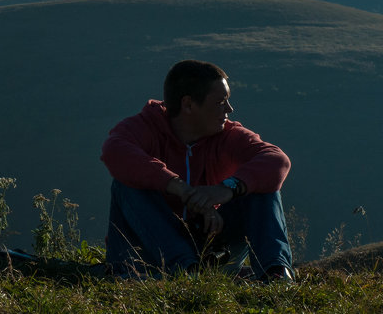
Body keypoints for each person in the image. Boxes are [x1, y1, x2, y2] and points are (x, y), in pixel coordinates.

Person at [100, 59, 295, 280]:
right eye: (220, 102)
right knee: (127, 183)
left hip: (209, 245)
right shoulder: (146, 127)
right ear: (188, 105)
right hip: (149, 255)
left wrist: (227, 188)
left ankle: (276, 274)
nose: (229, 109)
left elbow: (277, 160)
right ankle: (186, 271)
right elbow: (114, 151)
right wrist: (181, 189)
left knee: (262, 186)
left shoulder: (228, 135)